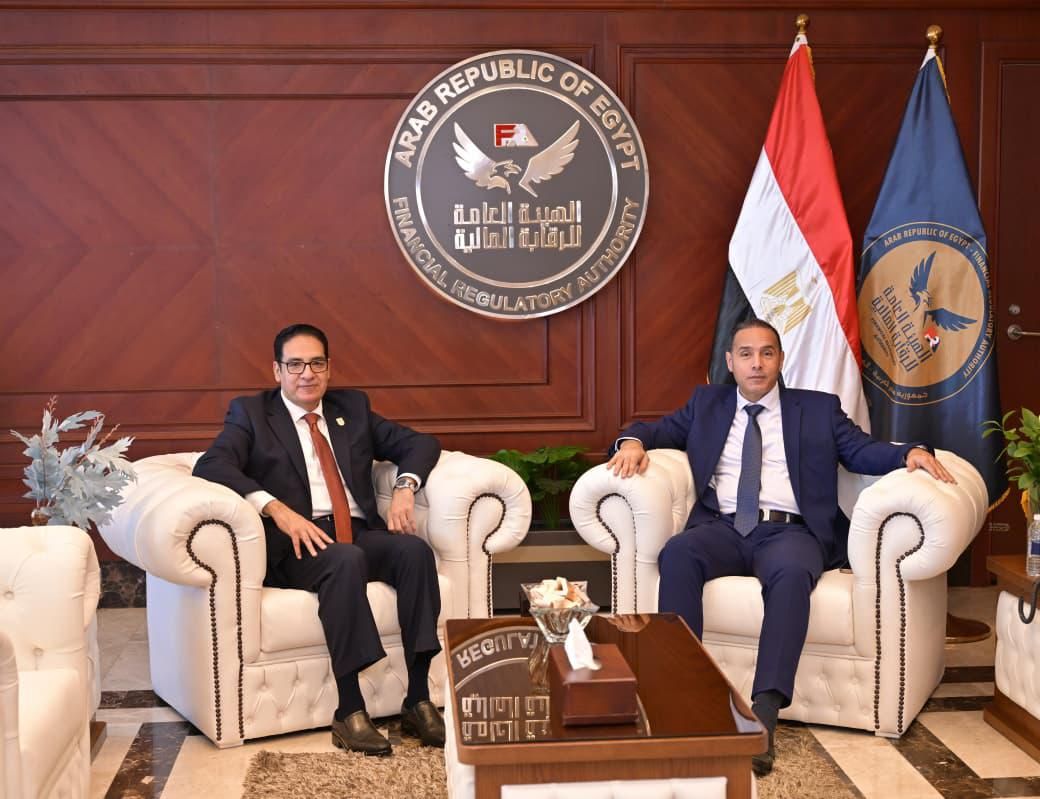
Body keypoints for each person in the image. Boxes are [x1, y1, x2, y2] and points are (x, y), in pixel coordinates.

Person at [606, 319, 954, 776]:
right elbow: (655, 431)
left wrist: (908, 453)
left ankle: (764, 712)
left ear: (780, 360)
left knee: (791, 574)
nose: (756, 363)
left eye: (766, 353)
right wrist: (632, 442)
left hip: (791, 532)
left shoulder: (817, 409)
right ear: (730, 362)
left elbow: (861, 450)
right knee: (678, 554)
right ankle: (682, 696)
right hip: (723, 527)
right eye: (746, 354)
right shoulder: (706, 404)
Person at [193, 323, 444, 757]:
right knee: (344, 560)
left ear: (329, 368)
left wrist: (405, 486)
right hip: (296, 544)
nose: (306, 374)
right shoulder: (252, 414)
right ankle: (350, 710)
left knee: (414, 552)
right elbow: (212, 464)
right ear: (277, 371)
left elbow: (421, 444)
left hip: (357, 533)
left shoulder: (352, 408)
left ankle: (418, 699)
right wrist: (275, 508)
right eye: (295, 365)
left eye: (316, 363)